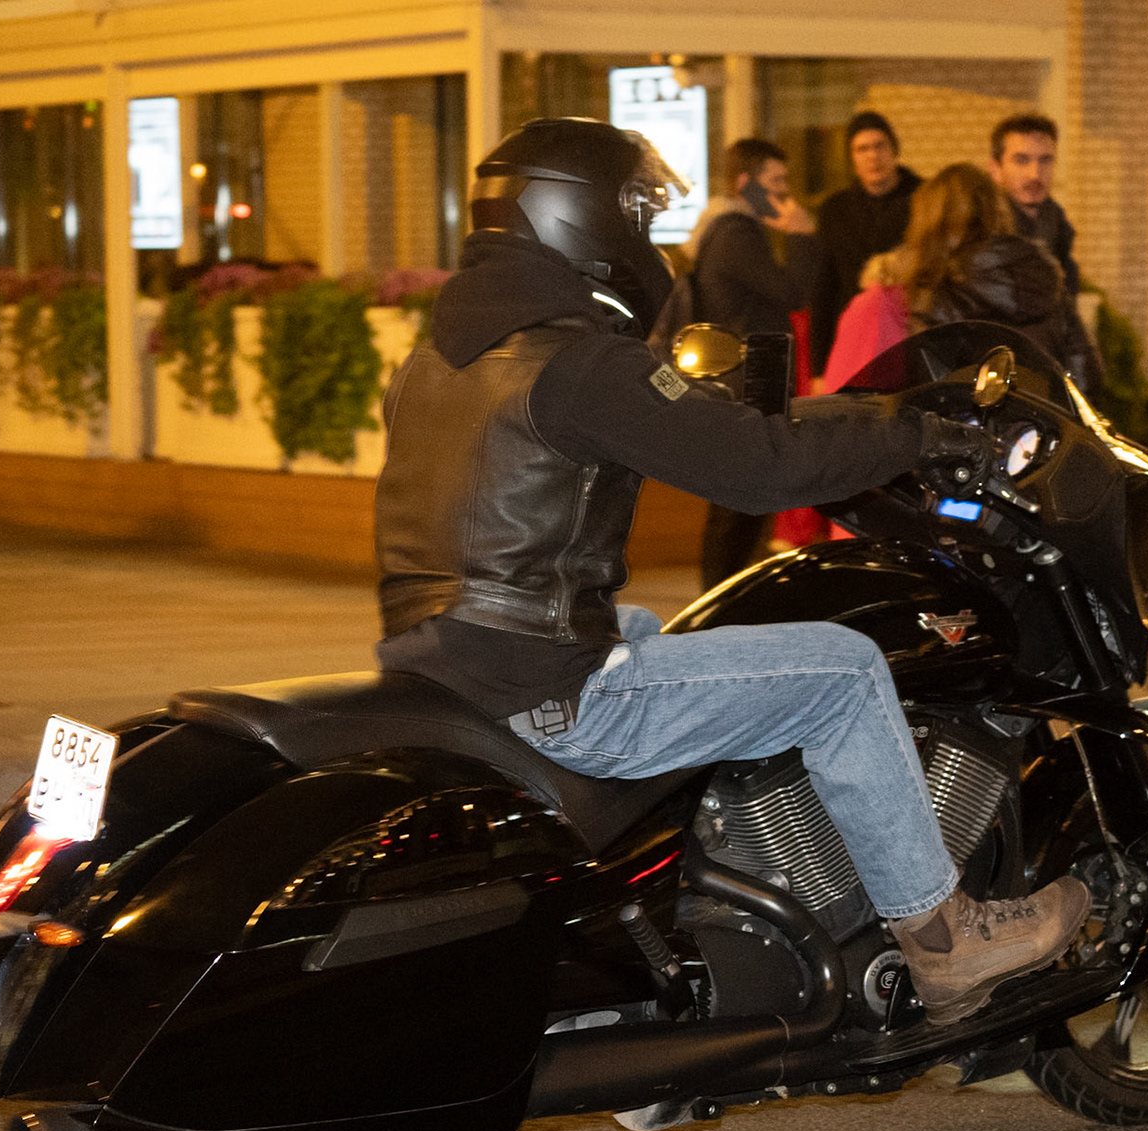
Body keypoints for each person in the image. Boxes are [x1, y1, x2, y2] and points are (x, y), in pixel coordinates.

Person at [374, 118, 1089, 1026]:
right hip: (552, 686)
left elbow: (711, 432)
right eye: (638, 214)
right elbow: (758, 467)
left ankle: (731, 885)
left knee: (681, 634)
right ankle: (945, 938)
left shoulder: (439, 361)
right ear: (580, 218)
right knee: (844, 671)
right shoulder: (580, 362)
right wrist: (919, 435)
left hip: (453, 661)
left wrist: (846, 420)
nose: (650, 237)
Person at [822, 163, 1098, 393]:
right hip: (1043, 436)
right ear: (998, 214)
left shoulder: (923, 296)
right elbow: (1085, 374)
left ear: (925, 223)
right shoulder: (1046, 283)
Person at [687, 137, 821, 587]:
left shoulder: (728, 229)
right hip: (749, 383)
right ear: (746, 182)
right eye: (775, 181)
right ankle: (718, 600)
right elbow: (792, 292)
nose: (784, 192)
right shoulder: (735, 233)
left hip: (744, 379)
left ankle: (723, 596)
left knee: (741, 503)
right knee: (739, 505)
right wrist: (801, 235)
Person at [807, 111, 921, 381]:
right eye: (862, 149)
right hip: (854, 337)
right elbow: (825, 288)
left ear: (895, 150)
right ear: (852, 158)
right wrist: (818, 369)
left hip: (908, 336)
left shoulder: (922, 198)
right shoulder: (836, 209)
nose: (873, 156)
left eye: (880, 146)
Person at [987, 113, 1097, 392]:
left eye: (1045, 160)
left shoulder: (1057, 226)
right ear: (995, 169)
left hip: (1049, 380)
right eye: (1021, 160)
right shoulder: (984, 236)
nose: (1035, 174)